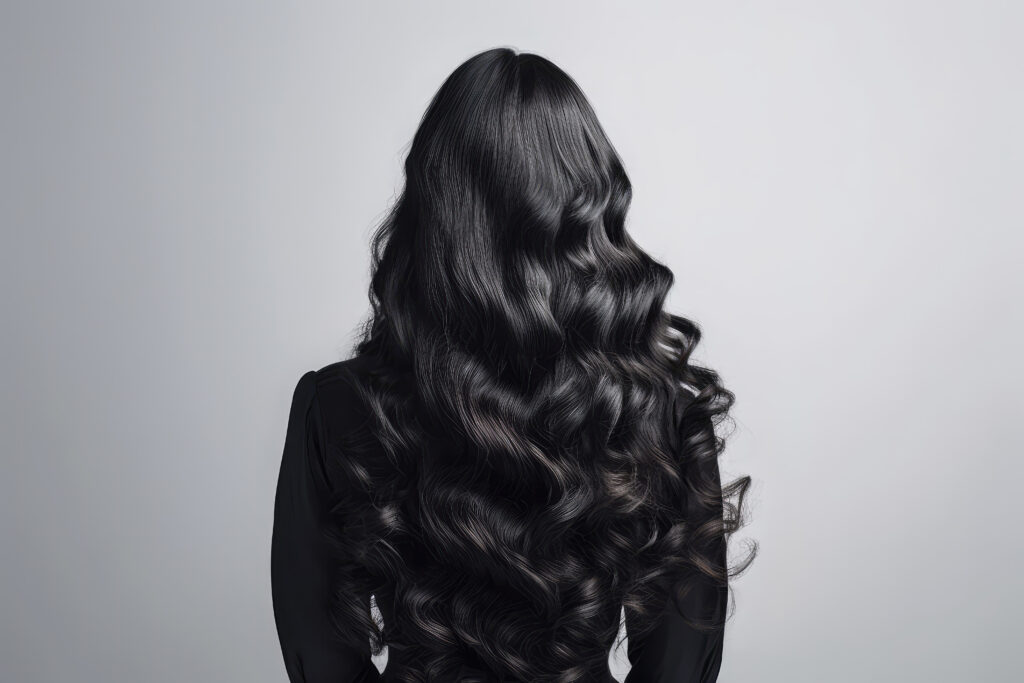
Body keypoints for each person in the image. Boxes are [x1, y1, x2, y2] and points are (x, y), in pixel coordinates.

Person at [271, 47, 754, 683]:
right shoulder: (657, 408)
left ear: (432, 205)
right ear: (589, 202)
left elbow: (321, 659)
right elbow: (681, 666)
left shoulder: (336, 407)